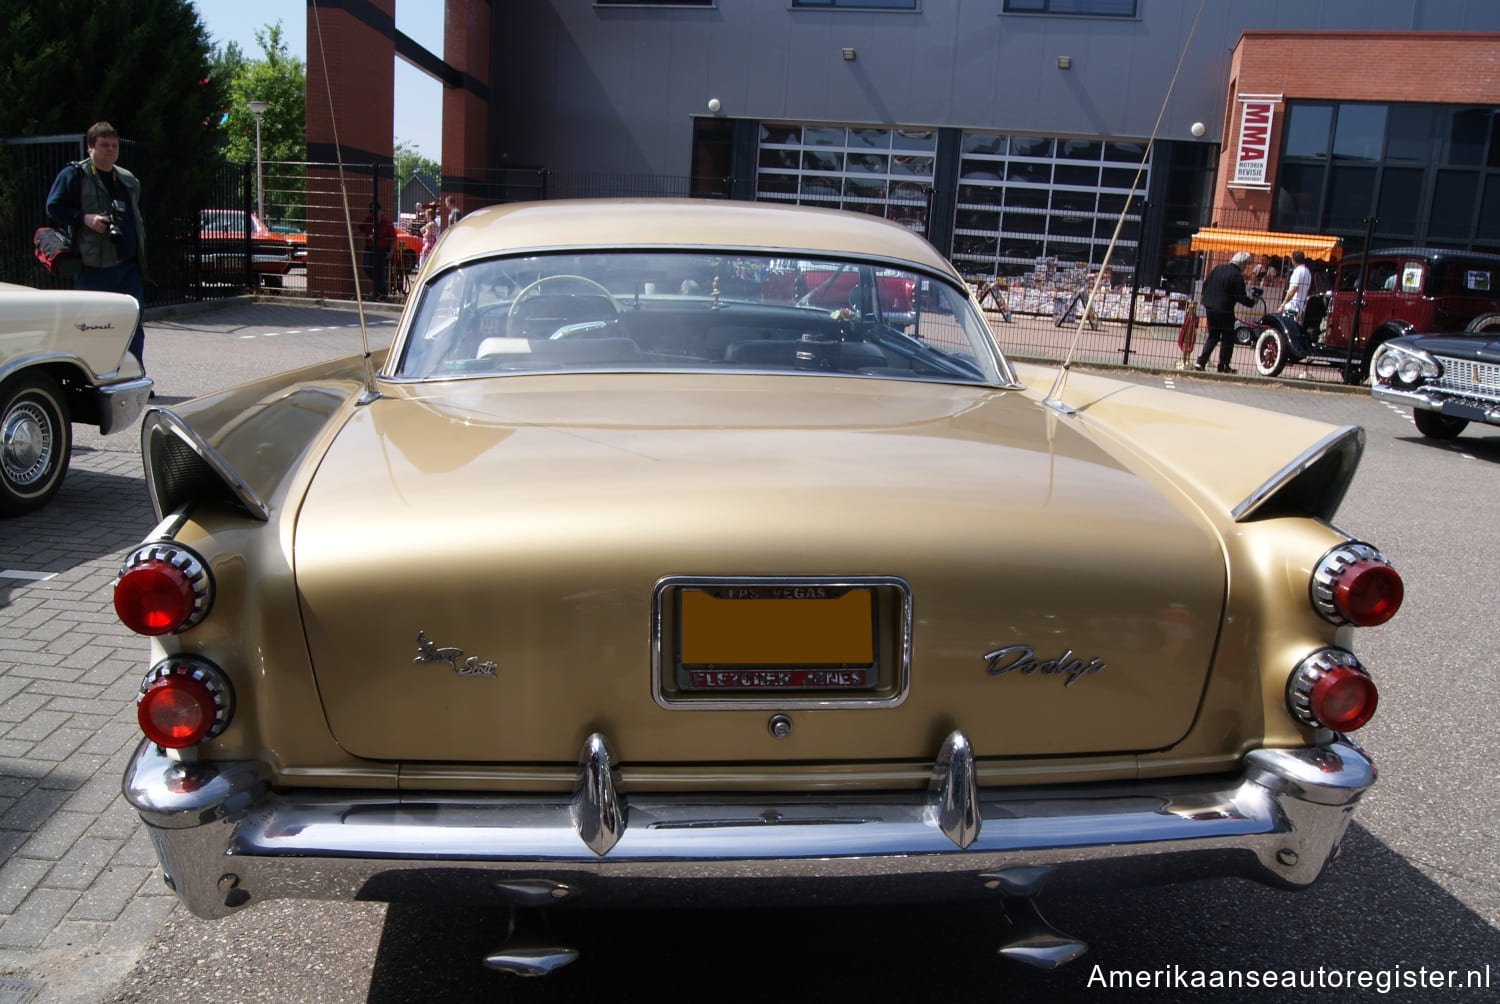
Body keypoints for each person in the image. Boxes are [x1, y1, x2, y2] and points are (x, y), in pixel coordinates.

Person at [45, 121, 148, 369]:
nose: (110, 150)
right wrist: (85, 218)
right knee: (89, 326)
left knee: (132, 324)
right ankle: (90, 375)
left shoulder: (127, 179)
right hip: (93, 267)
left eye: (114, 145)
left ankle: (133, 375)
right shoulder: (74, 175)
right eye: (104, 145)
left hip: (128, 266)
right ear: (90, 148)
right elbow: (53, 207)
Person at [1195, 250, 1256, 374]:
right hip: (1225, 309)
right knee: (1227, 338)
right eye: (1245, 265)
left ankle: (1201, 362)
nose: (1245, 268)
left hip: (1210, 307)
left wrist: (1206, 300)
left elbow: (1206, 284)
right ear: (1242, 263)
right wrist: (1252, 302)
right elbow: (1241, 296)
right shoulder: (1237, 275)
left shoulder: (1218, 268)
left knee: (1213, 336)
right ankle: (1223, 365)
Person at [360, 202, 398, 301]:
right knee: (367, 267)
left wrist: (391, 252)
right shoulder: (368, 221)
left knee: (382, 272)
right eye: (372, 212)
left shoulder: (387, 223)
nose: (374, 214)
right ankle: (377, 288)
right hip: (370, 249)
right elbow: (360, 229)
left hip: (382, 250)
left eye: (376, 212)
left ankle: (382, 294)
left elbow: (393, 239)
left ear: (380, 212)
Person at [1280, 249, 1312, 320]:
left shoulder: (1298, 271)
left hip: (1293, 306)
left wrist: (1283, 305)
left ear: (1293, 260)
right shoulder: (1307, 271)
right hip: (1301, 306)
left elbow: (1293, 289)